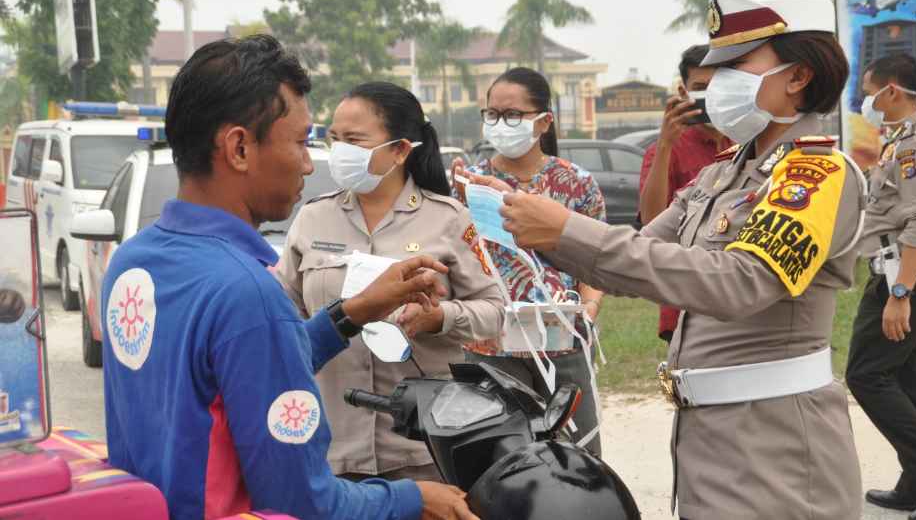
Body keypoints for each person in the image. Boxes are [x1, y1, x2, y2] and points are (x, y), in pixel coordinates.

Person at [497, 0, 866, 519]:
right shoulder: (723, 174)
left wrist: (565, 229)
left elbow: (737, 282)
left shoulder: (813, 175)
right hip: (710, 438)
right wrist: (529, 222)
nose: (715, 81)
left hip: (778, 448)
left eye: (737, 63)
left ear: (800, 74)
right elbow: (634, 260)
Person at [100, 35, 478, 520]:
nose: (307, 163)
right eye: (301, 142)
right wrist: (414, 497)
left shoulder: (132, 261)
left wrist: (350, 314)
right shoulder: (246, 291)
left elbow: (235, 371)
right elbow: (302, 501)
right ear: (239, 147)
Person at [276, 82, 503, 483]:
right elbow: (283, 316)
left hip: (426, 449)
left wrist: (440, 318)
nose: (340, 151)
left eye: (355, 140)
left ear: (400, 149)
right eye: (335, 139)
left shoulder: (448, 219)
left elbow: (496, 310)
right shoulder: (312, 219)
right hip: (334, 450)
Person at [451, 67, 606, 455]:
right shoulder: (469, 183)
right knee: (499, 458)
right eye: (493, 114)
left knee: (577, 454)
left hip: (562, 340)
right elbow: (457, 257)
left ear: (544, 121)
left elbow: (596, 259)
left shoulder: (576, 183)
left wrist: (589, 307)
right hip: (490, 343)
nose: (502, 124)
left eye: (513, 115)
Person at [846, 53, 916, 520]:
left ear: (892, 90)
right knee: (911, 381)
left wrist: (900, 294)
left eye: (869, 91)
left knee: (866, 374)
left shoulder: (913, 146)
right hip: (913, 274)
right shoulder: (900, 141)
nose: (865, 101)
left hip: (908, 277)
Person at [637, 44, 732, 342]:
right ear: (683, 92)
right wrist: (665, 144)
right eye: (701, 88)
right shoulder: (665, 151)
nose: (710, 95)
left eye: (719, 86)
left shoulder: (749, 141)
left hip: (737, 288)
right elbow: (651, 220)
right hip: (684, 293)